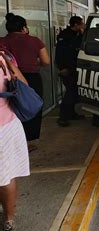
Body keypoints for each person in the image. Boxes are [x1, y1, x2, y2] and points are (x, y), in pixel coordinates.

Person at [0, 13, 50, 150]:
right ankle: (27, 141)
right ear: (24, 28)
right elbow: (46, 61)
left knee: (10, 109)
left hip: (7, 80)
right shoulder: (34, 41)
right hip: (31, 78)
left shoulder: (2, 41)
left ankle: (10, 139)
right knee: (30, 106)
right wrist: (33, 62)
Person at [0, 51, 30, 231]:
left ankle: (9, 215)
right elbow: (24, 83)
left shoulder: (3, 59)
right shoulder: (4, 57)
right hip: (8, 124)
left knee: (4, 176)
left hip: (3, 128)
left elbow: (22, 85)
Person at [55, 16, 85, 127]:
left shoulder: (76, 35)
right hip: (66, 68)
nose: (82, 26)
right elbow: (60, 54)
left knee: (74, 92)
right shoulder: (65, 36)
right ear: (76, 25)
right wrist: (62, 67)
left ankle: (72, 114)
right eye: (81, 24)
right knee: (70, 92)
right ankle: (62, 117)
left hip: (74, 68)